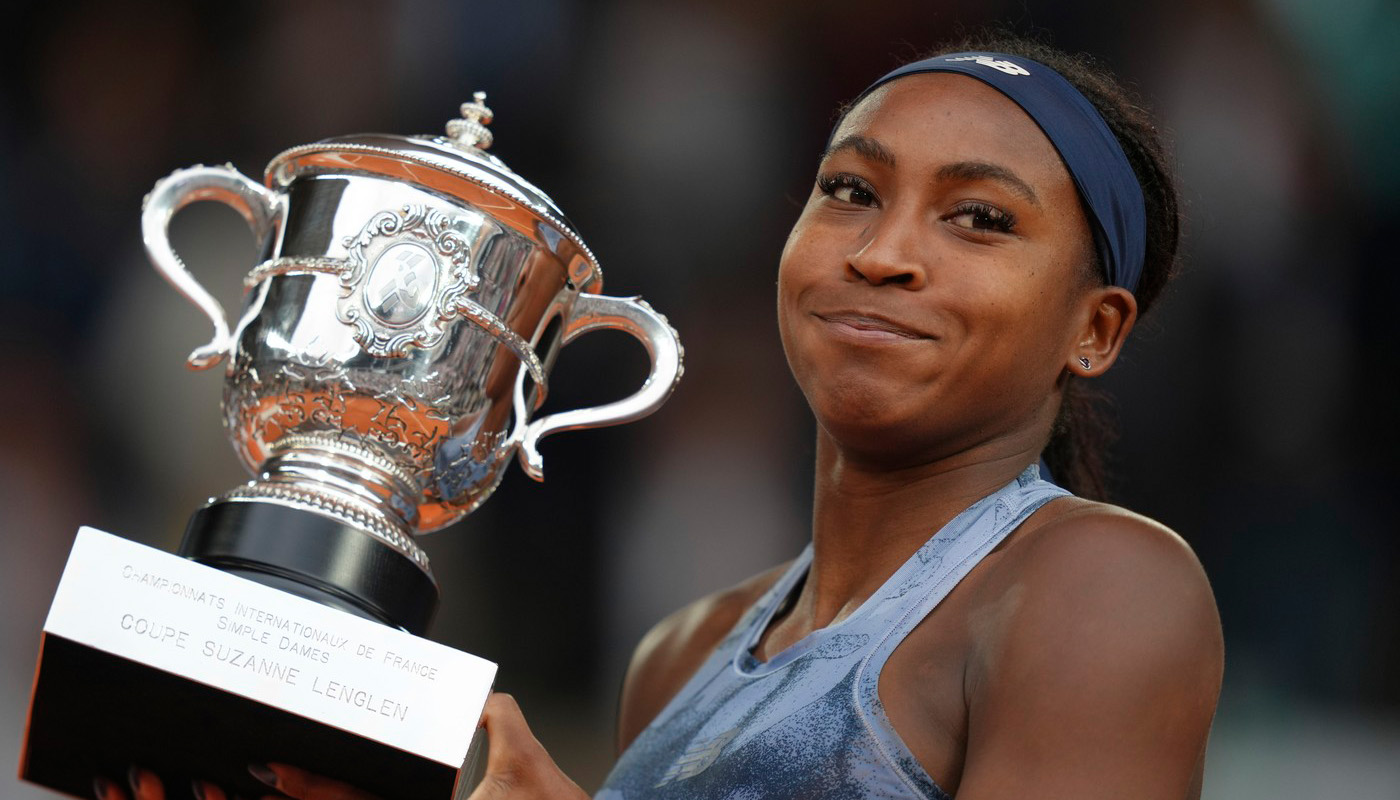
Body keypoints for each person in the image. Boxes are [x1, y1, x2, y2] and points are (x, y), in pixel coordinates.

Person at [99, 31, 1223, 800]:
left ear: (1097, 328)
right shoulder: (678, 652)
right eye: (850, 191)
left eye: (977, 217)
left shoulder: (1097, 583)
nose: (883, 252)